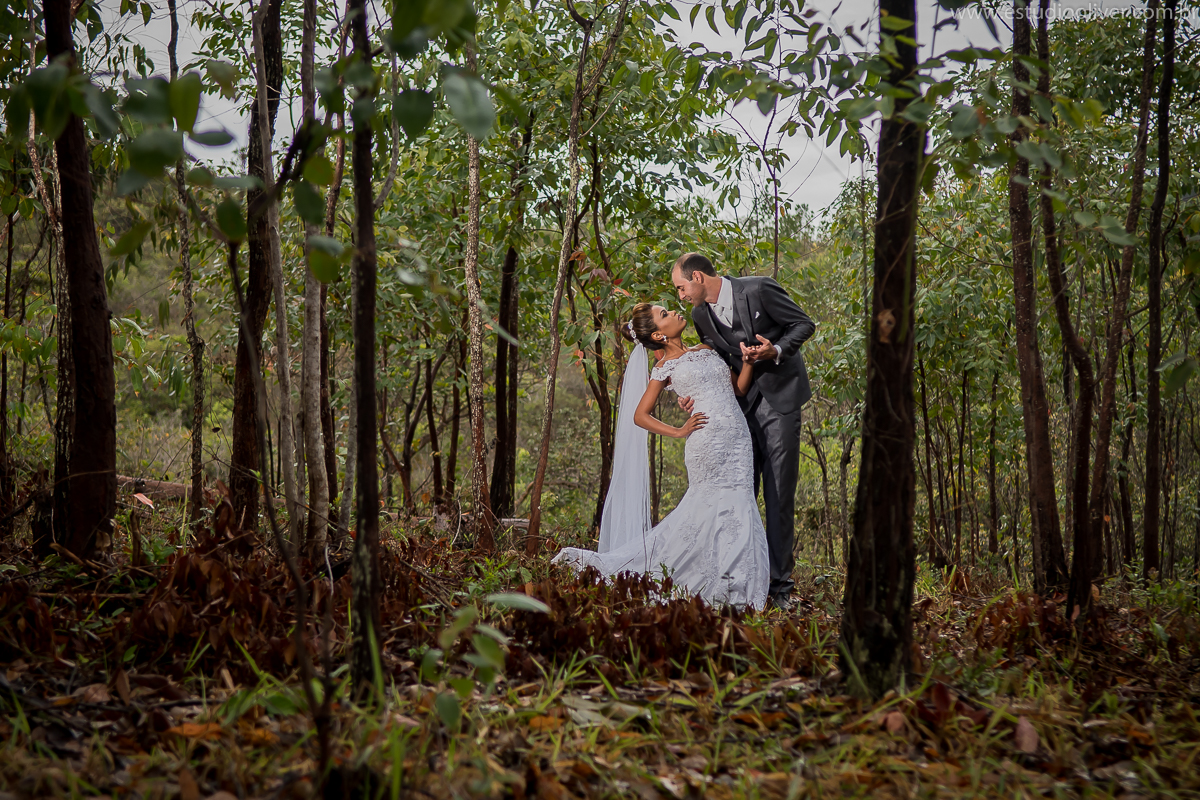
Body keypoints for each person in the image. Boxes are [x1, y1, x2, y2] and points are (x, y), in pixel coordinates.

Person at [552, 303, 770, 610]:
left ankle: (734, 583)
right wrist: (679, 431)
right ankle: (713, 585)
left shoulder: (706, 349)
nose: (675, 312)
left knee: (740, 503)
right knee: (706, 506)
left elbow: (737, 389)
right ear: (658, 334)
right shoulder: (664, 368)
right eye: (665, 314)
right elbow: (640, 416)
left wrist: (748, 361)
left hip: (738, 438)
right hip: (706, 442)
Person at [670, 253, 815, 611]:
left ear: (699, 277)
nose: (681, 296)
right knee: (739, 494)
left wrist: (776, 349)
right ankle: (736, 579)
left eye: (682, 287)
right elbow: (716, 362)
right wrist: (691, 393)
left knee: (779, 493)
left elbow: (803, 324)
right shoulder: (700, 315)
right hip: (737, 412)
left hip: (780, 402)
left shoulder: (759, 288)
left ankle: (779, 588)